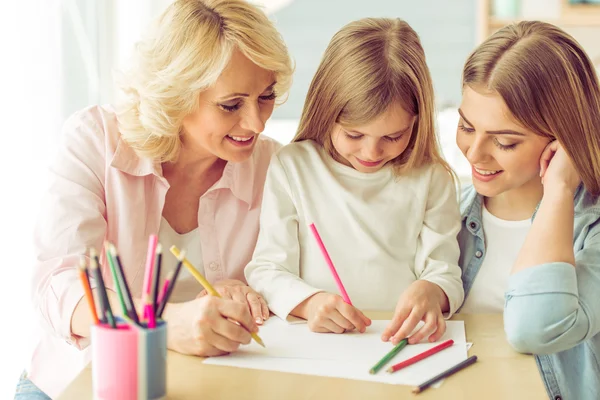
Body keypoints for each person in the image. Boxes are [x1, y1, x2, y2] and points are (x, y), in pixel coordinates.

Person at [17, 0, 293, 398]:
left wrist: (251, 291)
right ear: (176, 94)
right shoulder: (96, 141)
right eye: (231, 105)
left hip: (209, 385)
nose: (256, 122)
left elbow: (286, 274)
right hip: (79, 384)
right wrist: (164, 326)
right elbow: (58, 286)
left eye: (265, 97)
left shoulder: (272, 165)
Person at [245, 18, 463, 346]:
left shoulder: (431, 179)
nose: (371, 151)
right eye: (354, 134)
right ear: (326, 111)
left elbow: (446, 273)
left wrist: (433, 291)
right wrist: (310, 303)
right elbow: (266, 271)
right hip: (317, 345)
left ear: (417, 122)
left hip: (398, 343)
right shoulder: (293, 167)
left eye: (393, 136)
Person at [456, 21, 600, 400]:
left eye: (504, 142)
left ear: (562, 137)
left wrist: (559, 189)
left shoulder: (593, 231)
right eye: (466, 127)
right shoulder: (447, 211)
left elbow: (536, 329)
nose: (474, 154)